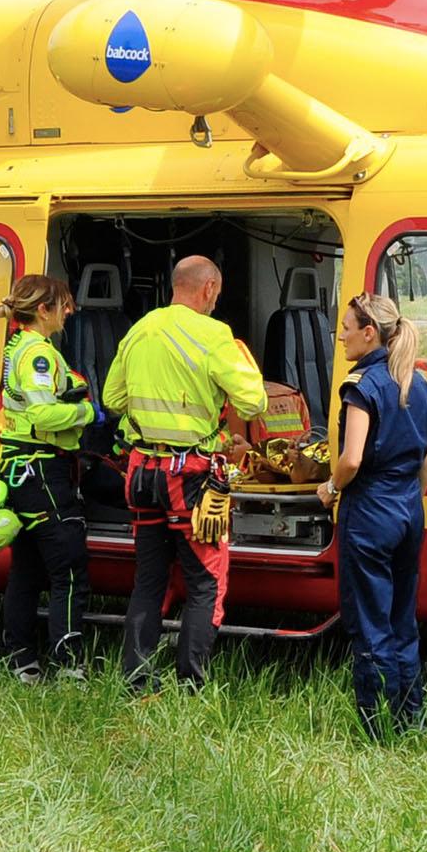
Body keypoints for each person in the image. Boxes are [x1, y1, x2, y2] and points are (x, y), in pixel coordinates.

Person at [101, 253, 268, 691]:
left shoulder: (140, 329)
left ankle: (136, 680)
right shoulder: (215, 335)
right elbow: (254, 403)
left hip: (140, 473)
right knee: (205, 582)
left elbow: (112, 398)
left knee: (149, 580)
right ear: (209, 288)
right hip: (190, 477)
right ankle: (189, 685)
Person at [321, 288, 427, 736]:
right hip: (409, 507)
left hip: (370, 509)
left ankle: (375, 726)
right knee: (402, 620)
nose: (341, 339)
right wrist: (411, 501)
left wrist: (330, 488)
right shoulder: (419, 384)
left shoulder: (361, 387)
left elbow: (351, 460)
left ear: (370, 334)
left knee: (369, 621)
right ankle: (412, 719)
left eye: (347, 330)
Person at [0, 272, 102, 682]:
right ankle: (70, 663)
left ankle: (22, 659)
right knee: (68, 569)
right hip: (43, 470)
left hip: (19, 469)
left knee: (25, 569)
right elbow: (42, 414)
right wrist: (89, 413)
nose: (69, 312)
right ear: (44, 310)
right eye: (64, 305)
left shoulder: (17, 345)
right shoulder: (38, 353)